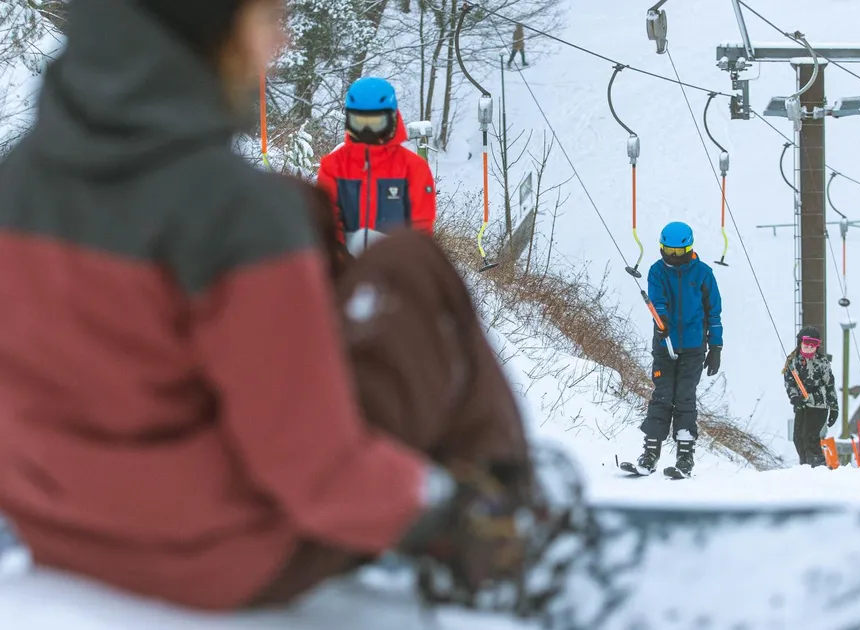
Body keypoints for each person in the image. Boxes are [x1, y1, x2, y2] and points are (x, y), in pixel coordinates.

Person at [0, 0, 523, 611]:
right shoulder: (235, 211)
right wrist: (437, 515)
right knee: (415, 266)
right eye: (268, 17)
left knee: (309, 214)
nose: (281, 41)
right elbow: (312, 470)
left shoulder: (19, 177)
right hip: (228, 553)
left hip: (61, 534)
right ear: (209, 25)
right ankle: (506, 522)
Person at [630, 222, 723, 476]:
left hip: (693, 348)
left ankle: (685, 456)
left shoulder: (703, 273)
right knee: (662, 395)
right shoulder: (657, 271)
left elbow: (713, 311)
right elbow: (657, 299)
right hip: (665, 344)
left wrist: (716, 345)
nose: (673, 257)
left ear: (689, 249)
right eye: (668, 250)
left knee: (684, 396)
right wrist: (662, 321)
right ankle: (650, 453)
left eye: (678, 252)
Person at [316, 77, 437, 248]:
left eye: (376, 123)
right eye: (359, 123)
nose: (367, 132)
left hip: (395, 264)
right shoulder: (333, 165)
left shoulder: (413, 167)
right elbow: (327, 221)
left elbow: (421, 227)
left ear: (392, 119)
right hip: (345, 265)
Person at [783, 327, 839, 467]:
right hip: (802, 404)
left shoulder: (822, 362)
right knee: (798, 438)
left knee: (810, 438)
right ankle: (805, 465)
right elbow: (790, 383)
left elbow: (830, 385)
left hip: (819, 405)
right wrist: (795, 398)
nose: (809, 348)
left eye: (813, 345)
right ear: (800, 343)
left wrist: (834, 408)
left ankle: (818, 466)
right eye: (806, 344)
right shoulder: (793, 362)